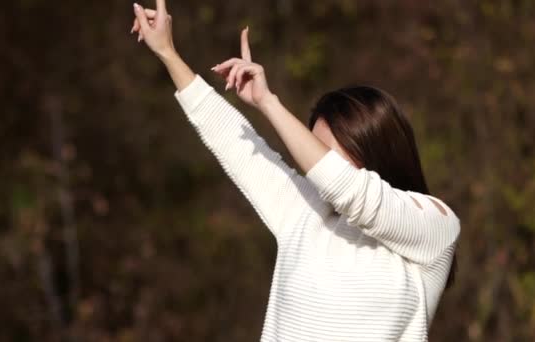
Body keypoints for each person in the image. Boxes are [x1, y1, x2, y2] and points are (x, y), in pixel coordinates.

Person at [130, 1, 460, 341]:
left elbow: (352, 191)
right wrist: (168, 53)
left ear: (375, 149)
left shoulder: (435, 228)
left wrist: (269, 103)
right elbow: (236, 143)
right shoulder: (306, 215)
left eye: (323, 154)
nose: (313, 167)